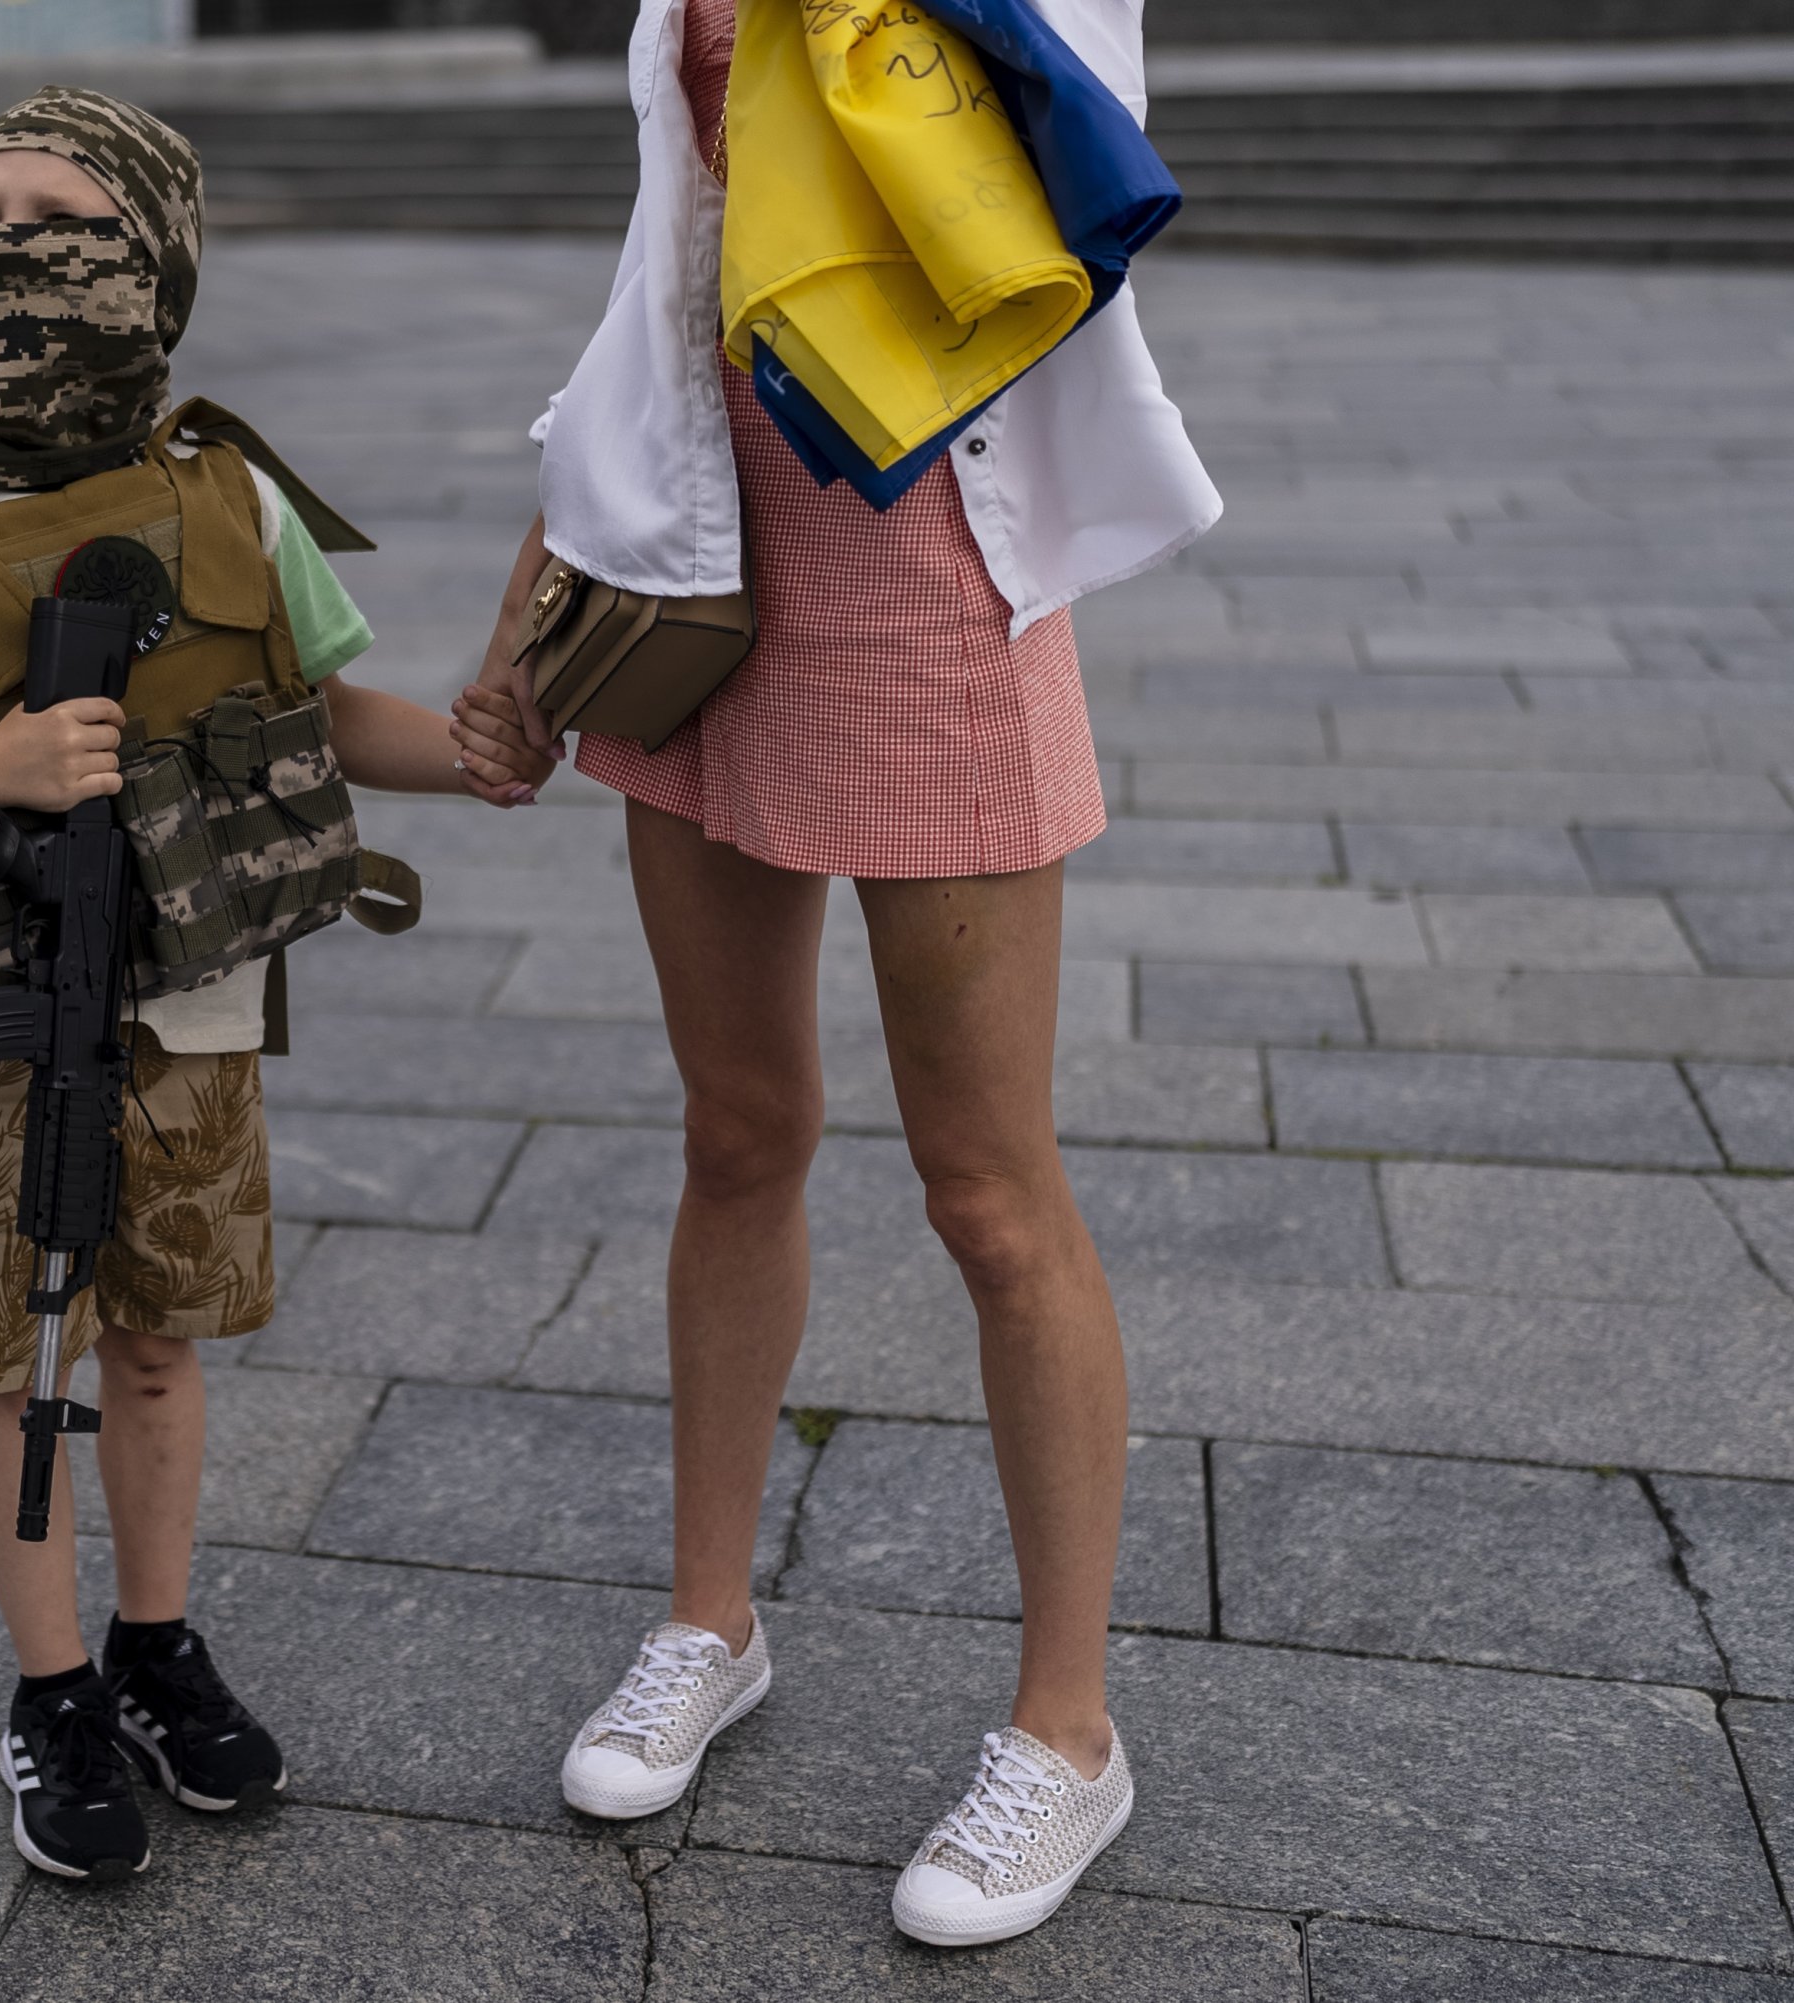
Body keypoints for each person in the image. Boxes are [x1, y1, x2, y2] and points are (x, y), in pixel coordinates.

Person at [470, 0, 1220, 1950]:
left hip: (926, 559)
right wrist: (529, 596)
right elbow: (668, 266)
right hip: (697, 561)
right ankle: (708, 1623)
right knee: (738, 1131)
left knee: (986, 1186)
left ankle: (1070, 1729)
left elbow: (1068, 135)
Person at [0, 87, 549, 1883]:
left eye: (64, 220)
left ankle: (157, 1641)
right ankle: (50, 1686)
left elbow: (324, 717)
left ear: (160, 268)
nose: (10, 253)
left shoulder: (229, 500)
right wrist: (3, 768)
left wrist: (480, 757)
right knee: (10, 1354)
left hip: (189, 996)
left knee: (165, 1343)